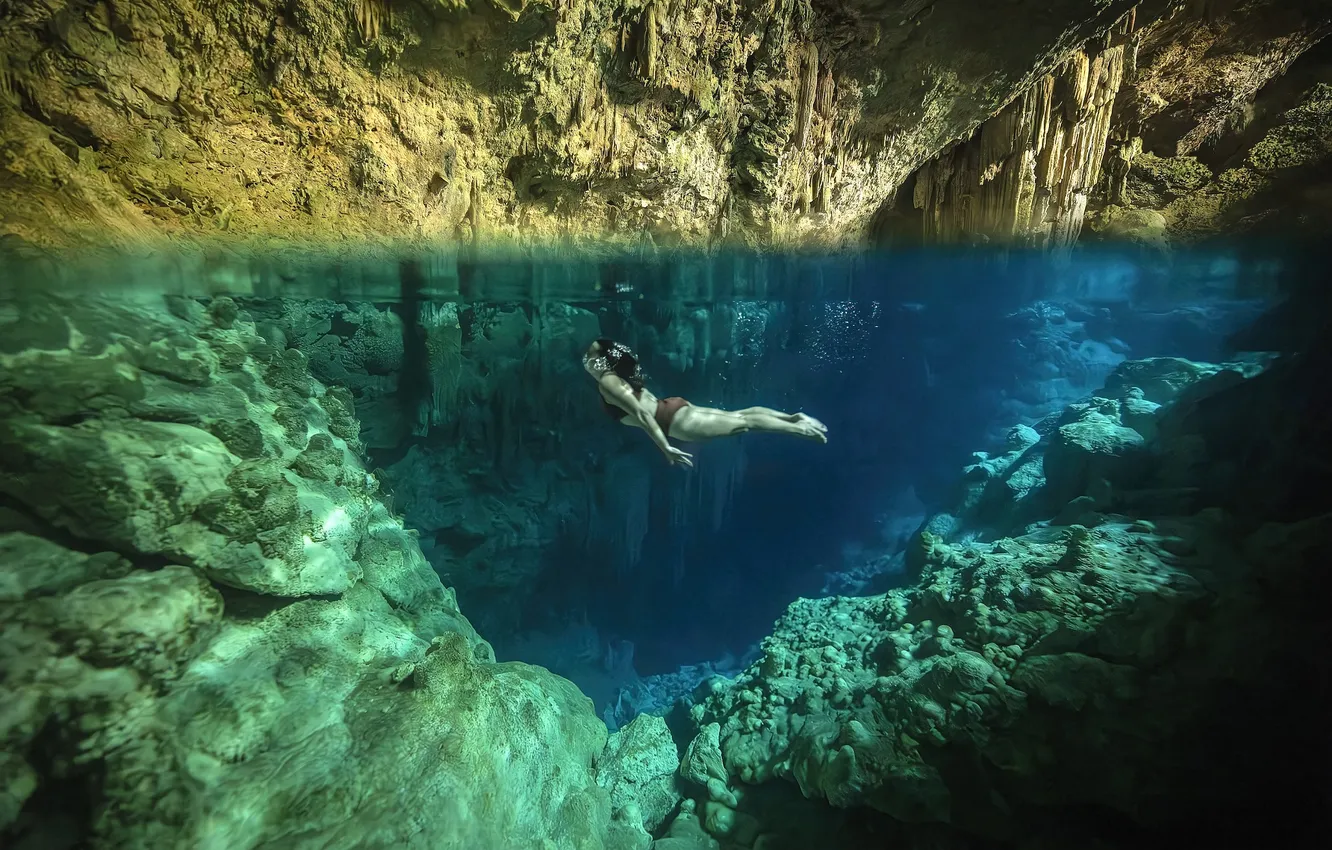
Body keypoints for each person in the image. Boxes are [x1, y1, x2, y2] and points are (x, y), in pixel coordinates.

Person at [583, 338, 827, 467]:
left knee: (743, 423)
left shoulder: (608, 382)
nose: (587, 360)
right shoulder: (619, 377)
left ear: (603, 361)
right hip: (673, 409)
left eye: (592, 356)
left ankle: (798, 428)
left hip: (674, 422)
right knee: (741, 415)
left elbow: (643, 415)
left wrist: (665, 447)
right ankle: (794, 418)